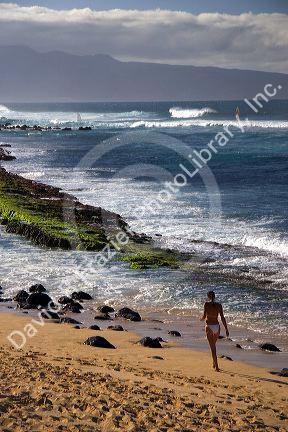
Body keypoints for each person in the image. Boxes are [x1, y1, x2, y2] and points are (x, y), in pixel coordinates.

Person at [200, 291, 229, 371]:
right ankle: (214, 362)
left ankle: (216, 367)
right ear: (215, 296)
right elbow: (222, 318)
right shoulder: (219, 305)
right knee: (213, 345)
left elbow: (204, 316)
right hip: (217, 327)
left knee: (213, 348)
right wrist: (226, 329)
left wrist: (201, 319)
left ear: (208, 297)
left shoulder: (206, 304)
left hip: (209, 326)